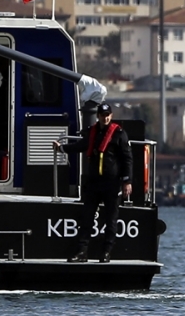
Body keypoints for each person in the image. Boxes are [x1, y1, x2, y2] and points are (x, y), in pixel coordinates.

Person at [53, 103, 132, 263]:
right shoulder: (92, 133)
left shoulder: (119, 134)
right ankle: (82, 252)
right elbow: (79, 146)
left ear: (111, 115)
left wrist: (127, 181)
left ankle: (106, 252)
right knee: (87, 218)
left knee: (111, 219)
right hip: (94, 182)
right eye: (103, 115)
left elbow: (127, 159)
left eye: (108, 114)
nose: (105, 117)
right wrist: (62, 148)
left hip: (112, 183)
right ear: (98, 116)